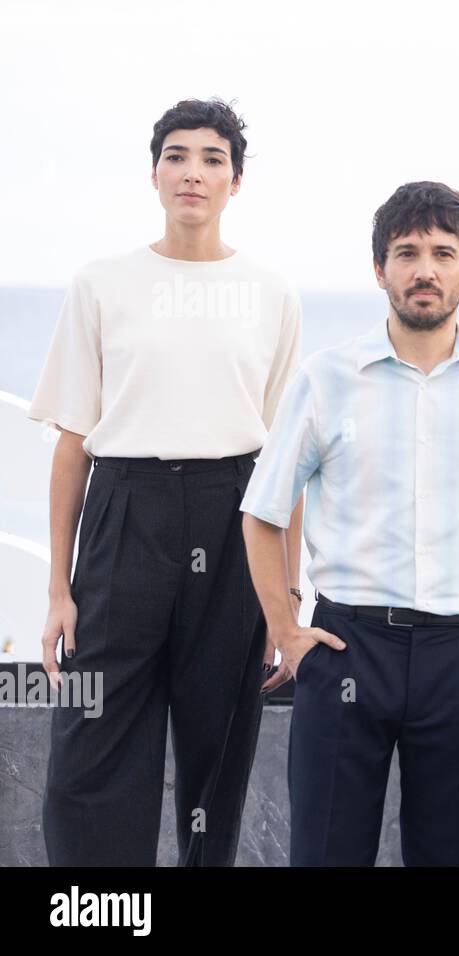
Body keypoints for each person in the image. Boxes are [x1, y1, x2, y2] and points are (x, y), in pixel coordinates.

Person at [240, 181, 459, 866]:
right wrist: (287, 633)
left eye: (444, 254)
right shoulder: (327, 377)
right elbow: (262, 512)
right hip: (345, 649)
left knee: (447, 858)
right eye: (407, 253)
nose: (425, 269)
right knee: (327, 855)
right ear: (380, 269)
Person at [30, 98, 304, 866]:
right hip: (125, 514)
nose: (193, 172)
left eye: (213, 159)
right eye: (177, 156)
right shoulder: (102, 283)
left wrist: (286, 595)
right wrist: (59, 587)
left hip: (236, 516)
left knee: (219, 750)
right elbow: (73, 443)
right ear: (155, 174)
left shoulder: (272, 293)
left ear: (235, 182)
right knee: (92, 744)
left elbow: (284, 459)